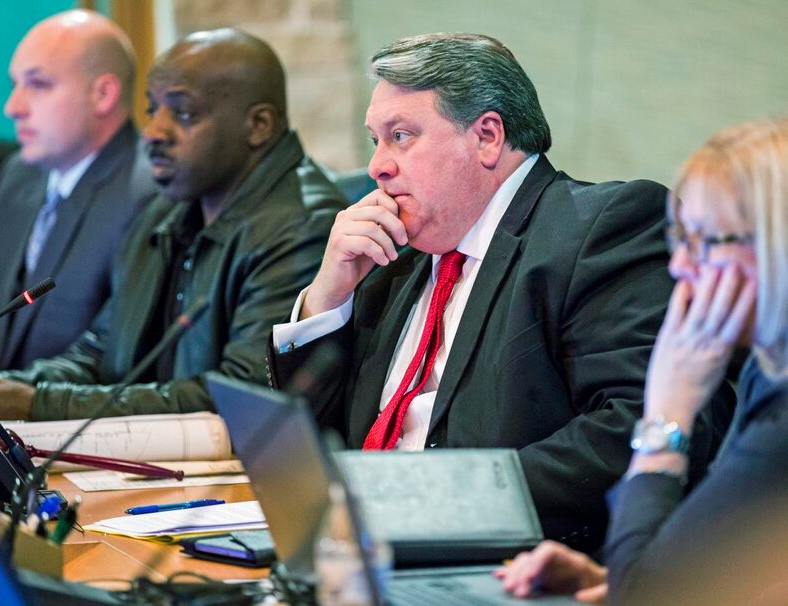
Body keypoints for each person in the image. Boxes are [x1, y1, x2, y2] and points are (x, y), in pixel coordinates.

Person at [267, 32, 731, 553]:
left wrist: (436, 499)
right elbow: (307, 447)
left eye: (401, 136)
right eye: (375, 140)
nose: (377, 165)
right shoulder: (394, 258)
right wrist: (327, 298)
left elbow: (636, 424)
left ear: (487, 136)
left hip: (516, 561)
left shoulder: (601, 228)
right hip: (355, 552)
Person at [0, 28, 345, 420]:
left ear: (258, 125)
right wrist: (4, 388)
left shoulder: (302, 226)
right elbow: (100, 354)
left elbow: (241, 398)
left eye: (182, 113)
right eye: (152, 109)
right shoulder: (165, 213)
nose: (154, 132)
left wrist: (36, 403)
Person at [496, 118, 788, 605]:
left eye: (705, 242)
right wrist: (611, 579)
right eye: (680, 240)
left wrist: (667, 415)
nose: (679, 266)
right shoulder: (767, 366)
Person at [0, 10, 157, 372]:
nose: (13, 107)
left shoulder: (150, 192)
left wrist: (11, 393)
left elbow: (111, 355)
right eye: (14, 85)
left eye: (37, 84)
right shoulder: (17, 176)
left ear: (103, 94)